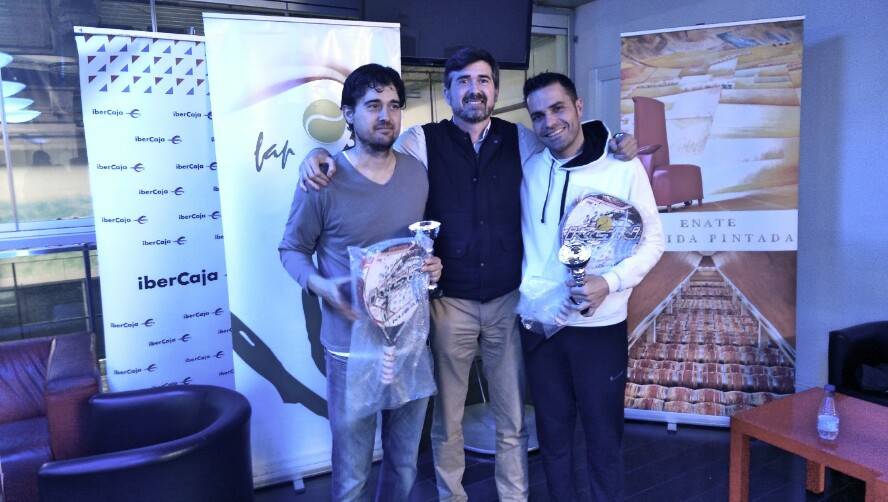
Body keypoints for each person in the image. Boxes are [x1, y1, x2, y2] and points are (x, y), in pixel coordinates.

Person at [299, 48, 636, 502]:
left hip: (507, 302)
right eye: (462, 81)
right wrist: (319, 155)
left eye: (483, 80)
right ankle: (452, 497)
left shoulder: (521, 140)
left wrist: (613, 138)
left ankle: (514, 497)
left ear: (494, 90)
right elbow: (368, 152)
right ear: (447, 91)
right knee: (448, 419)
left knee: (511, 417)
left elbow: (568, 140)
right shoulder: (421, 141)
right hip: (448, 305)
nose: (473, 89)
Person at [278, 63, 443, 502]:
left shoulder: (416, 173)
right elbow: (291, 249)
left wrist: (432, 266)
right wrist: (322, 286)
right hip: (350, 349)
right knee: (352, 475)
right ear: (348, 114)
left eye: (394, 105)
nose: (385, 115)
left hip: (409, 342)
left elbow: (415, 247)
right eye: (373, 105)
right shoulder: (323, 180)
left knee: (404, 465)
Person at [519, 72, 665, 501]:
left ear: (579, 107)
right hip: (540, 327)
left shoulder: (622, 165)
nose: (550, 122)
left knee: (604, 440)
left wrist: (610, 282)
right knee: (553, 440)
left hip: (599, 328)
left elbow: (654, 240)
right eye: (538, 115)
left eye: (558, 108)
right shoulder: (530, 167)